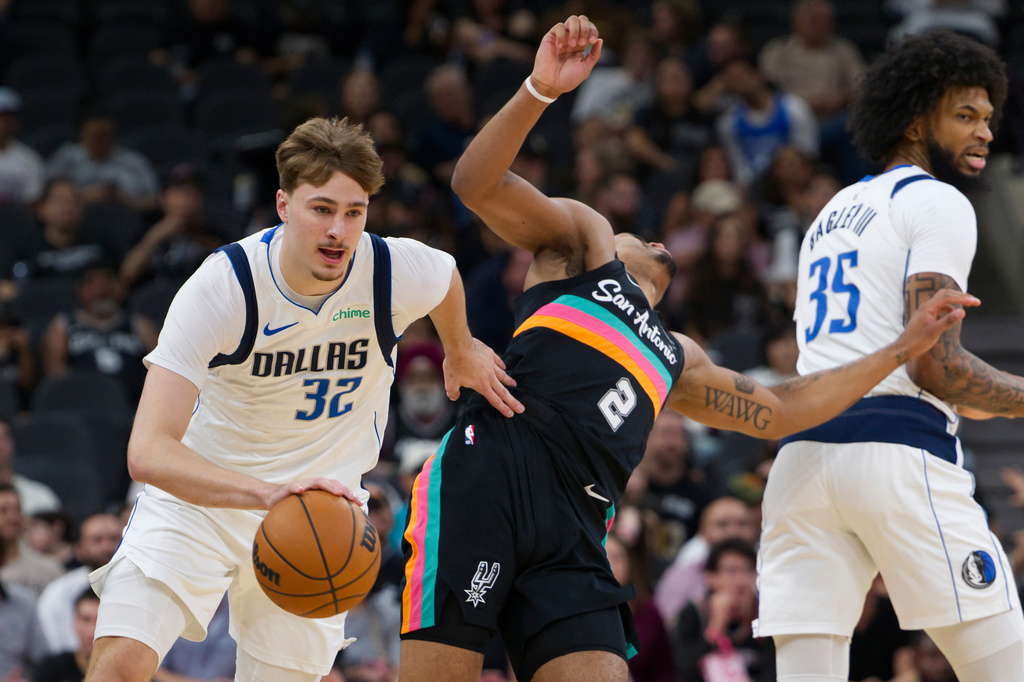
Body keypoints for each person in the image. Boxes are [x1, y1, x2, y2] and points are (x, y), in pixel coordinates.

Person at [397, 16, 979, 682]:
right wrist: (538, 88)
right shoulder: (581, 247)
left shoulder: (678, 356)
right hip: (494, 477)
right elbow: (475, 185)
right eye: (637, 232)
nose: (647, 237)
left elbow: (787, 408)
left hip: (578, 530)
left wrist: (899, 350)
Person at [83, 116, 522, 682]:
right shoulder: (224, 286)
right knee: (119, 665)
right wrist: (266, 493)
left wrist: (459, 349)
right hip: (203, 498)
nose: (339, 230)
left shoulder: (390, 268)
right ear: (284, 204)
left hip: (322, 511)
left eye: (354, 212)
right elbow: (147, 451)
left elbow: (445, 276)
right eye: (322, 209)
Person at [754, 30, 1024, 682]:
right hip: (897, 455)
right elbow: (935, 364)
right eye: (965, 116)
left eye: (988, 118)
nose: (984, 133)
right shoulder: (938, 201)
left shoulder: (833, 211)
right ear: (912, 120)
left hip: (801, 465)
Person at [36, 513, 121, 656]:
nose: (107, 547)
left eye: (114, 539)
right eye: (97, 540)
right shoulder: (58, 593)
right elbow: (56, 648)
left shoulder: (146, 586)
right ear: (79, 549)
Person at [32, 588, 100, 682]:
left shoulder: (122, 670)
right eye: (86, 620)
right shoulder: (53, 668)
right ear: (74, 621)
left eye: (99, 621)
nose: (92, 631)